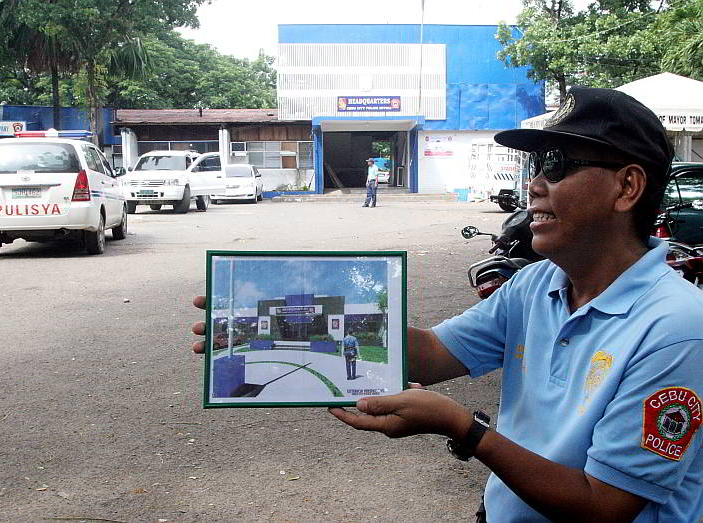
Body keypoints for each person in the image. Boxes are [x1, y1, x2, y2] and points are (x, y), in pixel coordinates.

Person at [190, 87, 703, 521]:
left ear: (627, 187)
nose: (535, 183)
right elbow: (433, 352)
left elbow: (604, 505)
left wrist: (464, 428)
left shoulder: (677, 328)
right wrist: (270, 322)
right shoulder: (536, 285)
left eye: (558, 165)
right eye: (535, 163)